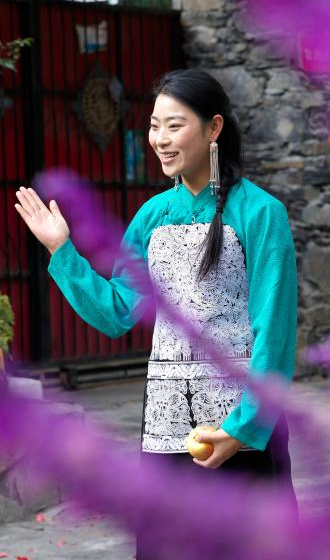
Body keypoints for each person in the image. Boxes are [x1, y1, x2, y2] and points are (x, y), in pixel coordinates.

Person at [13, 68, 299, 557]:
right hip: (167, 430)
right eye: (153, 126)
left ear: (213, 128)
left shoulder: (260, 213)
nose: (160, 139)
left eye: (174, 125)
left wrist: (241, 430)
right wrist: (62, 251)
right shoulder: (152, 216)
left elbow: (274, 333)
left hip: (242, 431)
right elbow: (117, 312)